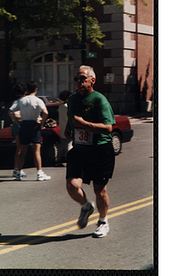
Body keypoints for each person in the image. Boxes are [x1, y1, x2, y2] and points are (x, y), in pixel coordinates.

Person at [65, 65, 115, 238]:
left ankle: (103, 221)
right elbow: (72, 118)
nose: (78, 82)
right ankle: (86, 206)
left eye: (82, 78)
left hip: (100, 150)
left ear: (92, 80)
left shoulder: (99, 100)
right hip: (79, 150)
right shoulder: (72, 99)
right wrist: (68, 128)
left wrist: (83, 125)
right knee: (72, 186)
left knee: (100, 190)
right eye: (76, 78)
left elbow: (108, 128)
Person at [8, 81, 51, 181]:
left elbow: (10, 111)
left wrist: (16, 121)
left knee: (22, 150)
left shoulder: (21, 101)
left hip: (24, 124)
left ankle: (18, 172)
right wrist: (41, 123)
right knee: (36, 150)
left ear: (27, 90)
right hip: (34, 124)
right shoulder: (38, 100)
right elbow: (45, 112)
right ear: (36, 89)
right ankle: (39, 173)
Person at [10, 83, 28, 180]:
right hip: (18, 125)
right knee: (20, 148)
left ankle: (17, 168)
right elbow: (14, 114)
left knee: (20, 148)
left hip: (20, 124)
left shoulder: (20, 101)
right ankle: (17, 169)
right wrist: (26, 116)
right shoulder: (17, 102)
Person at [57, 90, 72, 163]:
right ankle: (69, 158)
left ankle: (59, 159)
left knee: (62, 145)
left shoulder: (60, 106)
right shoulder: (68, 106)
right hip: (67, 127)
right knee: (69, 144)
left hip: (61, 127)